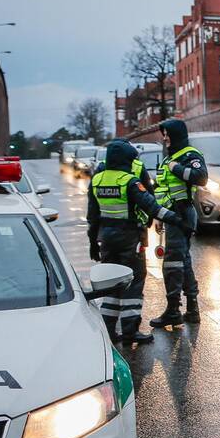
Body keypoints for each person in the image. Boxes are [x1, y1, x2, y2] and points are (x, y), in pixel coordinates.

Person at [88, 140, 189, 343]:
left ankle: (108, 331)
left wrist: (92, 242)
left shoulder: (97, 180)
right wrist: (178, 220)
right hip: (129, 240)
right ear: (125, 159)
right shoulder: (129, 181)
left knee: (111, 284)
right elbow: (152, 207)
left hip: (106, 240)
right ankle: (130, 331)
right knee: (133, 282)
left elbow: (92, 215)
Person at [151, 119, 208, 328]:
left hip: (182, 213)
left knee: (173, 262)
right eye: (163, 134)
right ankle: (192, 309)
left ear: (176, 135)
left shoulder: (188, 155)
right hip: (171, 214)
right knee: (182, 259)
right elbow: (162, 189)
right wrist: (159, 216)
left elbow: (201, 178)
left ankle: (174, 310)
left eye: (167, 134)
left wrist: (177, 169)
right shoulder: (169, 158)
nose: (164, 137)